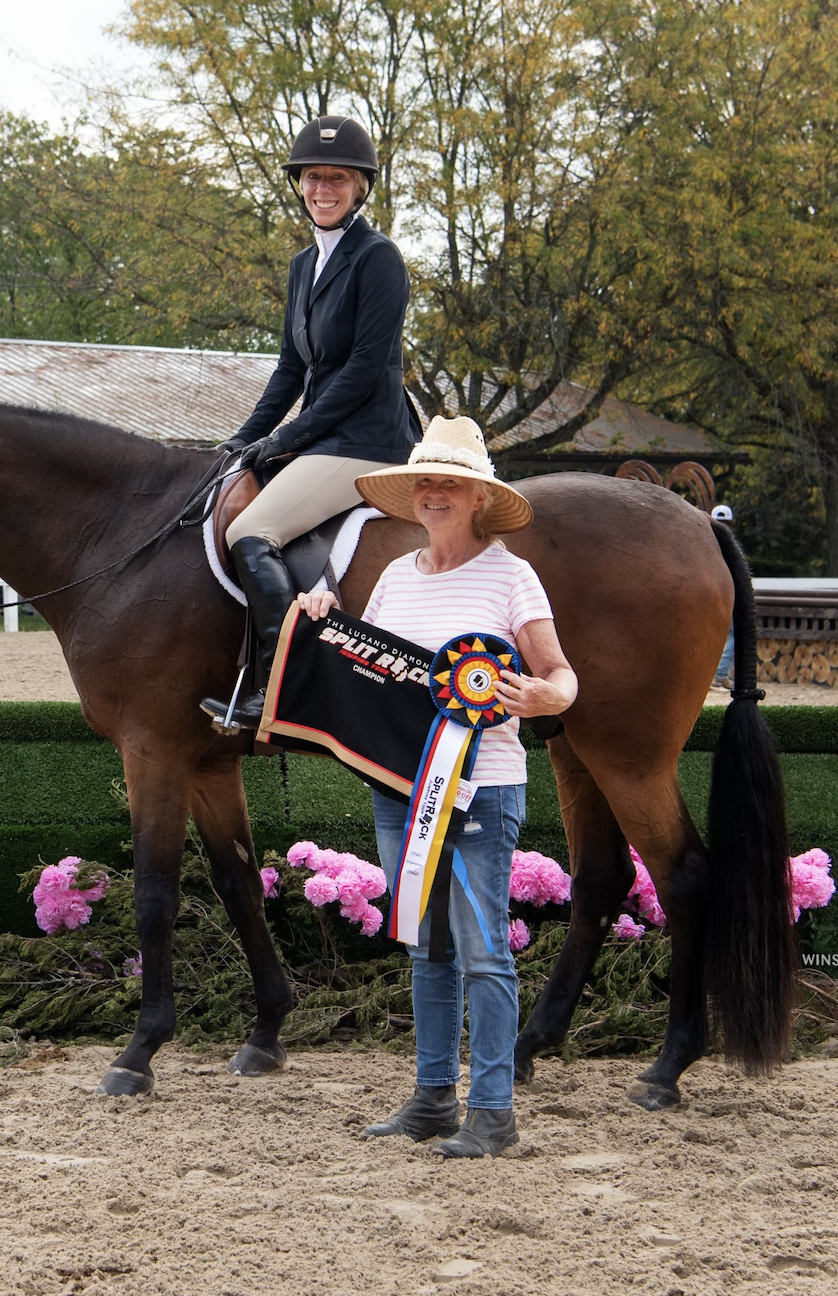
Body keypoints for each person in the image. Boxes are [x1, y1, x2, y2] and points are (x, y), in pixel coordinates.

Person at [297, 415, 578, 1158]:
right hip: (400, 786)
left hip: (482, 788)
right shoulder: (393, 578)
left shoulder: (511, 574)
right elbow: (374, 673)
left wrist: (552, 697)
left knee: (484, 952)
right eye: (425, 480)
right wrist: (327, 621)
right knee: (427, 947)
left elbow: (559, 673)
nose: (434, 492)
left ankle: (493, 1110)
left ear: (478, 497)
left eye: (449, 481)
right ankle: (431, 1099)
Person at [201, 115, 422, 732]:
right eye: (314, 177)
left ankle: (273, 691)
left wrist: (285, 440)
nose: (324, 188)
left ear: (360, 188)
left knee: (252, 532)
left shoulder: (379, 259)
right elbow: (290, 368)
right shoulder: (305, 265)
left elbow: (361, 370)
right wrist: (244, 439)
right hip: (323, 437)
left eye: (339, 179)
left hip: (368, 442)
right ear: (300, 184)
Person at [710, 503, 735, 688]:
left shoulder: (704, 545)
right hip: (726, 594)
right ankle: (720, 674)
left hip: (707, 595)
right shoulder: (732, 547)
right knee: (732, 634)